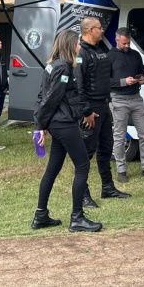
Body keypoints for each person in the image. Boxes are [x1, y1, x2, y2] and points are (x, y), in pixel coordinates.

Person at [32, 30, 102, 233]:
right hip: (63, 124)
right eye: (78, 43)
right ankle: (77, 218)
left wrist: (42, 124)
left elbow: (42, 95)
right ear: (71, 45)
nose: (80, 46)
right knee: (83, 166)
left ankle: (41, 215)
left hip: (57, 122)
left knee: (53, 168)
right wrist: (41, 126)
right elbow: (51, 99)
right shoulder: (63, 68)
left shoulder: (53, 65)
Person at [76, 17, 130, 208]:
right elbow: (78, 85)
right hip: (91, 110)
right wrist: (86, 111)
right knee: (85, 153)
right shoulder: (81, 52)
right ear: (90, 30)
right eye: (99, 28)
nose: (102, 30)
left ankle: (108, 187)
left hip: (104, 105)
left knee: (106, 148)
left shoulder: (99, 51)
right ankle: (83, 195)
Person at [109, 28, 144, 183]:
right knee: (119, 136)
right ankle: (121, 170)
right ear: (116, 40)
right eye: (124, 43)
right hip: (118, 99)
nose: (127, 46)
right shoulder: (109, 57)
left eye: (128, 43)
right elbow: (104, 81)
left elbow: (143, 73)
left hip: (136, 98)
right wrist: (124, 82)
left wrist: (142, 79)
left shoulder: (135, 54)